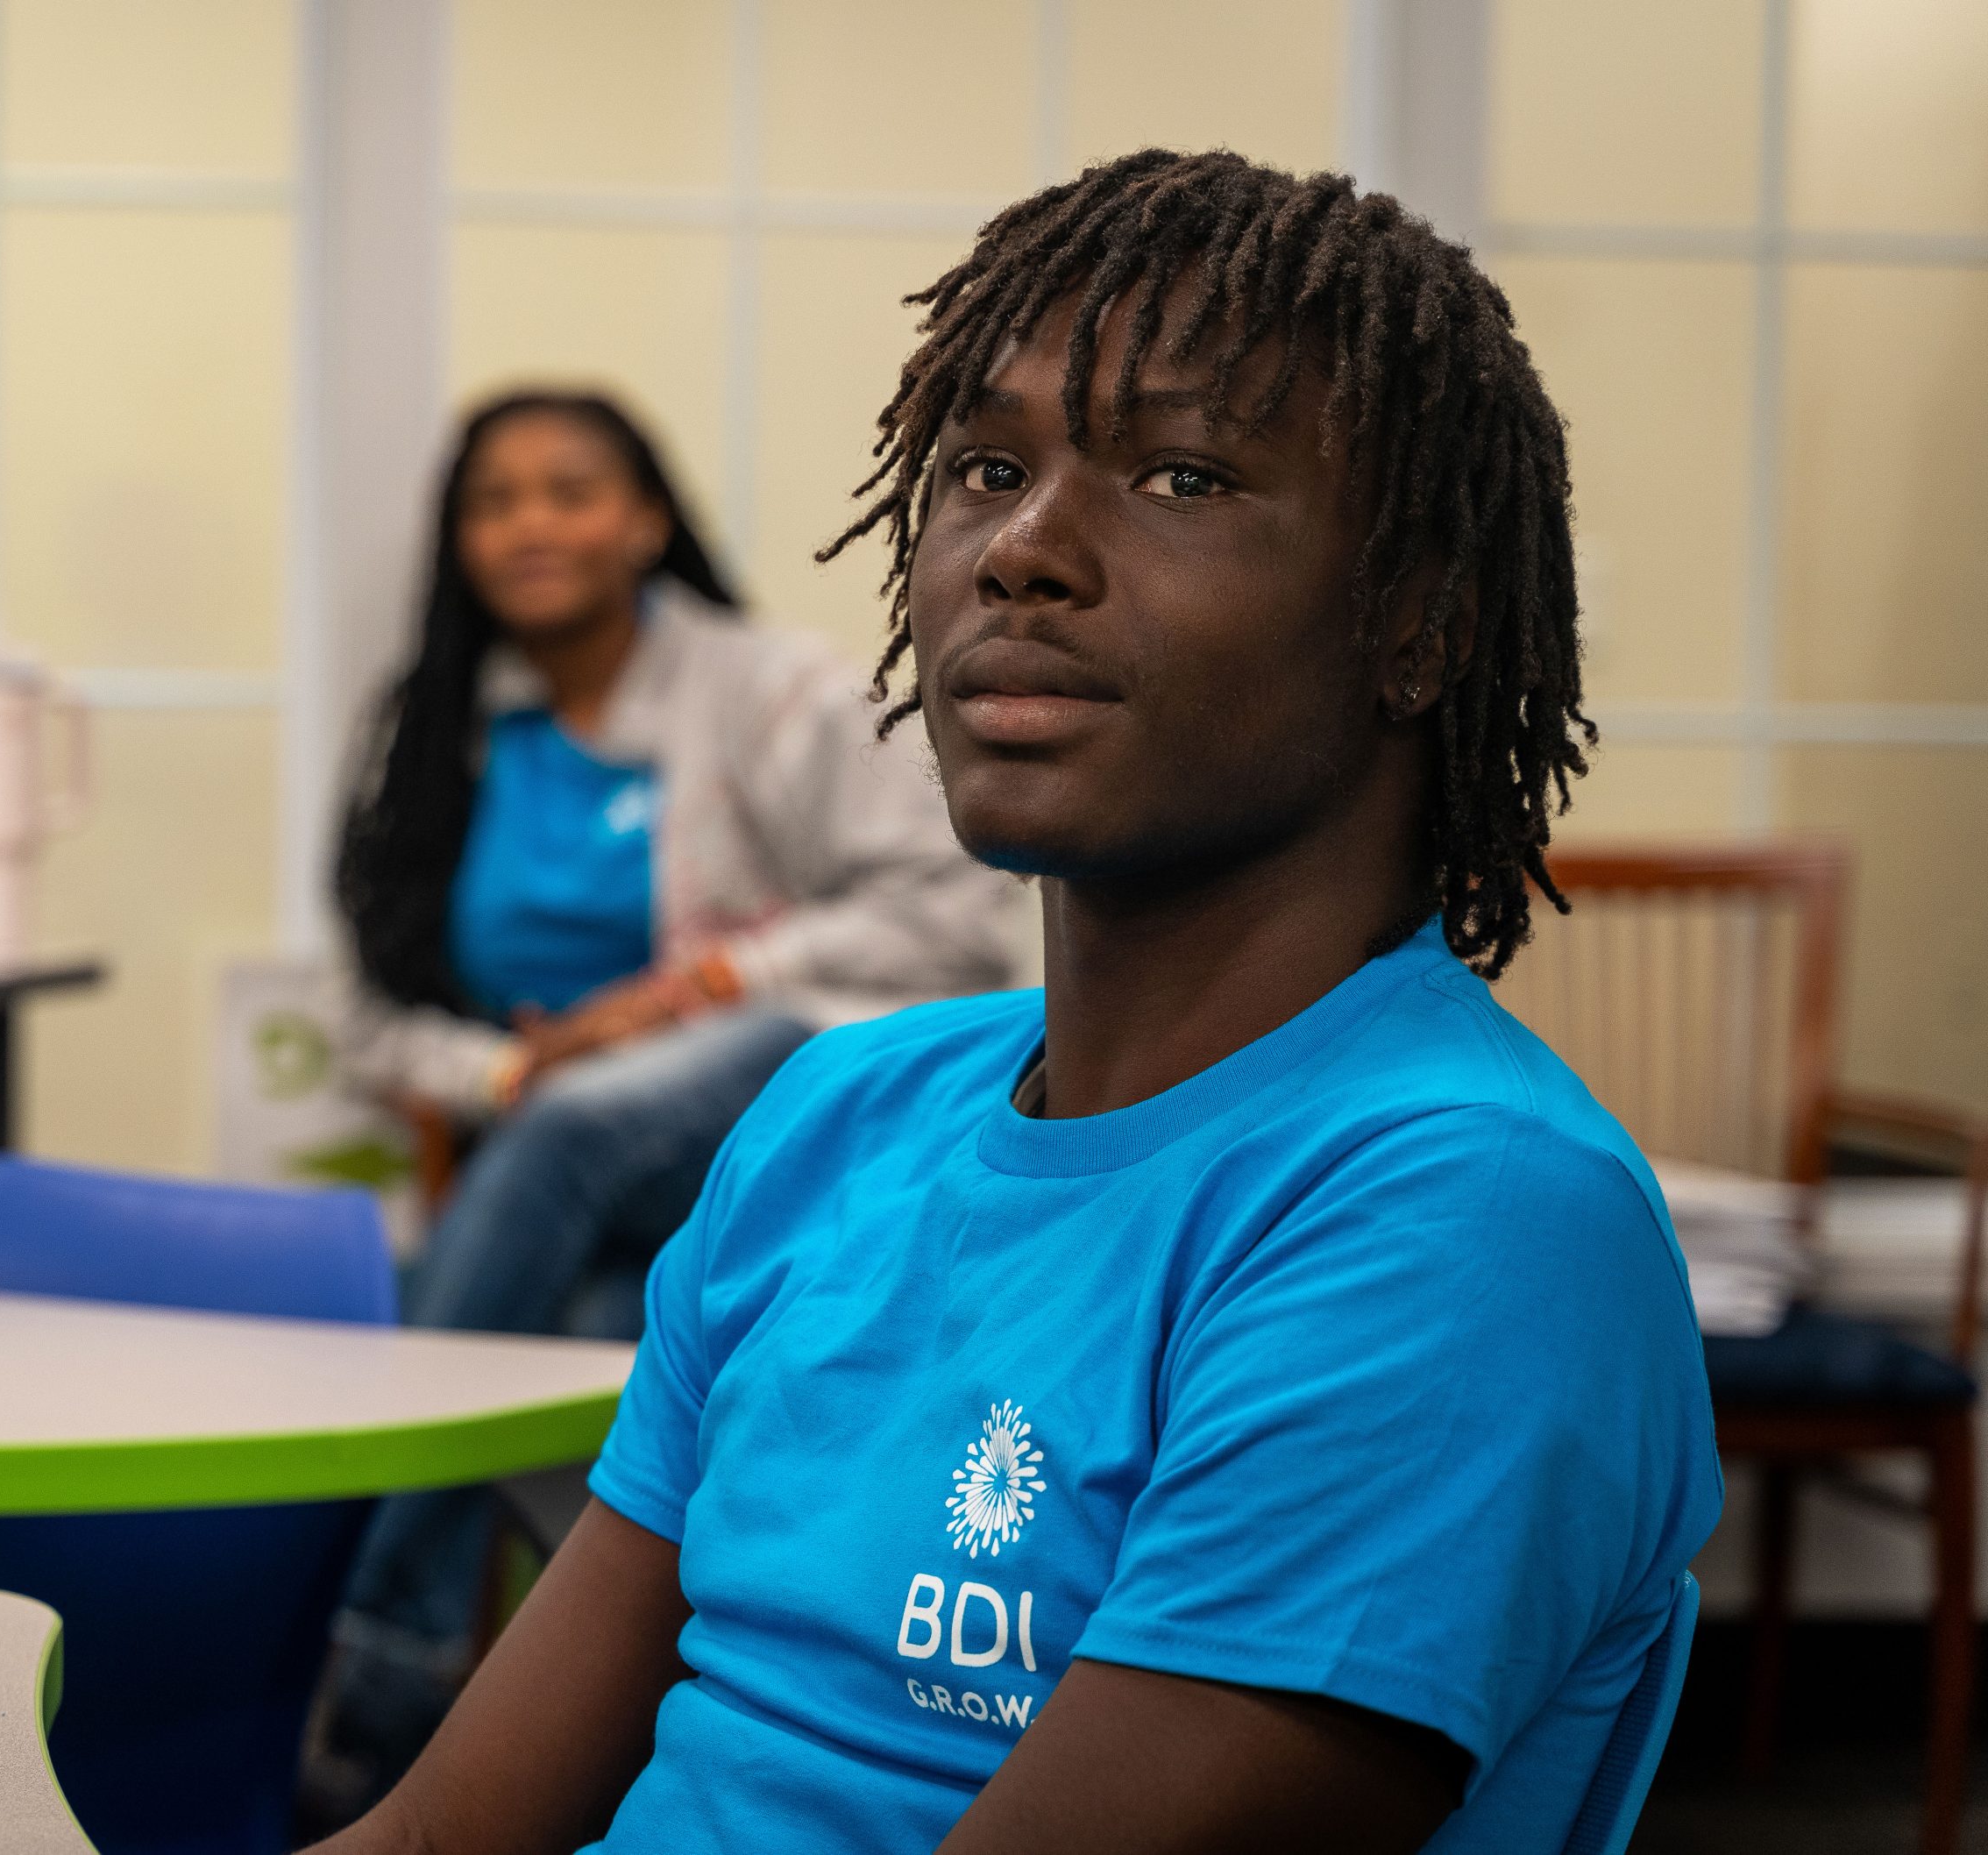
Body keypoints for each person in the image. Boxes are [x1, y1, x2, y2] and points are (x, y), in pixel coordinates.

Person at [316, 151, 1722, 1855]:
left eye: (1183, 475)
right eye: (983, 467)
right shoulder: (834, 1121)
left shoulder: (1463, 1216)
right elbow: (432, 1838)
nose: (1021, 549)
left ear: (1412, 622)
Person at [321, 390, 1017, 1793]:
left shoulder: (772, 688)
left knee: (579, 1123)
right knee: (586, 1313)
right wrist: (508, 1066)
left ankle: (376, 1655)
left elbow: (955, 902)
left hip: (791, 1072)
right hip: (563, 1157)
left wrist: (693, 991)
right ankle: (609, 1727)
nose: (530, 524)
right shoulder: (436, 724)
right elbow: (372, 1017)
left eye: (569, 490)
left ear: (645, 518)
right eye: (494, 499)